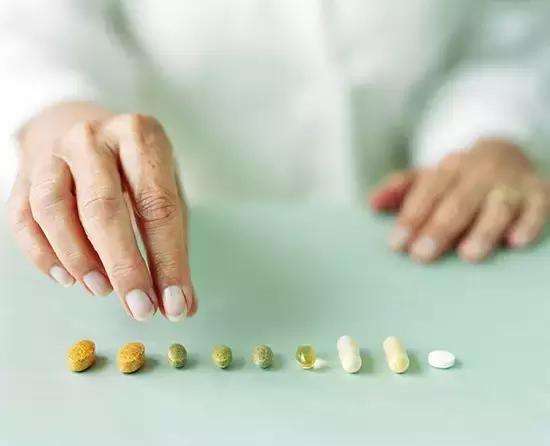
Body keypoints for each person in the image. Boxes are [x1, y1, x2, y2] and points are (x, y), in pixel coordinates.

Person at [2, 1, 549, 322]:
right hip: (172, 236)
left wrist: (492, 134)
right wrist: (58, 117)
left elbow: (510, 35)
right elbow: (33, 31)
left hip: (409, 242)